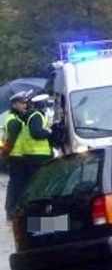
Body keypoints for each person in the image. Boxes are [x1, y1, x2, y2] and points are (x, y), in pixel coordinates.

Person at [4, 90, 54, 219]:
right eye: (22, 103)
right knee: (17, 186)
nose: (25, 105)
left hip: (24, 157)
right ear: (15, 104)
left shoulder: (21, 117)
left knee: (24, 185)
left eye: (26, 103)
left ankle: (22, 213)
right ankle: (14, 213)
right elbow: (11, 139)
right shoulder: (13, 119)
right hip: (17, 157)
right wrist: (5, 154)